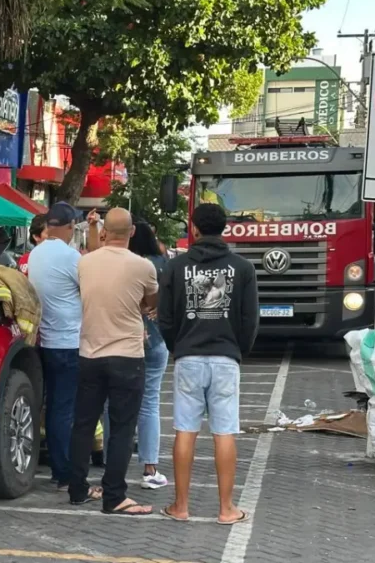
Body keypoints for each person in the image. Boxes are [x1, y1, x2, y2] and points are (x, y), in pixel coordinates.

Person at [157, 203, 258, 525]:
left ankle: (181, 505)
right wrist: (237, 349)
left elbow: (165, 318)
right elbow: (249, 319)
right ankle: (227, 509)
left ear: (194, 228)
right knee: (224, 431)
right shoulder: (242, 268)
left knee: (185, 430)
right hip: (226, 357)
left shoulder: (176, 266)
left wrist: (178, 347)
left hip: (188, 356)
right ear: (224, 228)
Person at [68, 208, 158, 515]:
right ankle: (114, 495)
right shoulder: (143, 266)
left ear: (105, 231)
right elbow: (151, 303)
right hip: (127, 355)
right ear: (132, 232)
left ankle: (77, 489)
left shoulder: (85, 262)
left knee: (82, 424)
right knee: (121, 428)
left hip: (89, 353)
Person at [100, 221, 171, 489]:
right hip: (154, 339)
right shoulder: (159, 264)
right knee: (149, 402)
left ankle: (110, 463)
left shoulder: (119, 264)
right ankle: (150, 469)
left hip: (118, 340)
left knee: (111, 402)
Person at [27, 202, 83, 490]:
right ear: (71, 226)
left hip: (44, 341)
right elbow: (88, 291)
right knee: (64, 409)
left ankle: (54, 464)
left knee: (50, 407)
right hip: (69, 342)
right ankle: (64, 471)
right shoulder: (71, 256)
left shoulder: (36, 254)